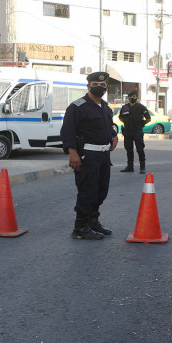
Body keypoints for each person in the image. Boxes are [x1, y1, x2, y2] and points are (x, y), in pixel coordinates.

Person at [60, 71, 118, 240]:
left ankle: (93, 221)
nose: (99, 87)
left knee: (101, 191)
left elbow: (108, 128)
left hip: (103, 155)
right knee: (88, 190)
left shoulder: (105, 107)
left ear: (106, 87)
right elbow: (67, 131)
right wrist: (72, 152)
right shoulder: (77, 107)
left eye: (102, 85)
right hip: (87, 155)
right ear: (88, 86)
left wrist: (113, 137)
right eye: (95, 85)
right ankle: (80, 227)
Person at [118, 89, 152, 174]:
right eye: (130, 97)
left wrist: (141, 124)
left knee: (140, 149)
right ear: (128, 98)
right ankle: (130, 167)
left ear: (136, 97)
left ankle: (142, 167)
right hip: (127, 131)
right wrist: (127, 123)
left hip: (137, 131)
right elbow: (120, 117)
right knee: (129, 150)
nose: (132, 98)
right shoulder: (124, 107)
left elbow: (148, 118)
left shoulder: (141, 107)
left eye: (133, 97)